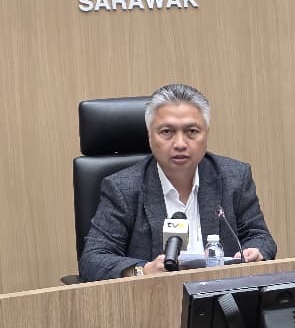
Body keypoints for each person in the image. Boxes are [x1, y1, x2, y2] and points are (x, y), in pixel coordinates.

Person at [80, 84, 277, 281]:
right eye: (167, 131)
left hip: (222, 293)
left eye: (192, 131)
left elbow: (260, 237)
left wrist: (255, 251)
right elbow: (93, 259)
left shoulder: (235, 177)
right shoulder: (123, 188)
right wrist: (143, 270)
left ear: (206, 133)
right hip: (155, 295)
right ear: (149, 136)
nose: (180, 144)